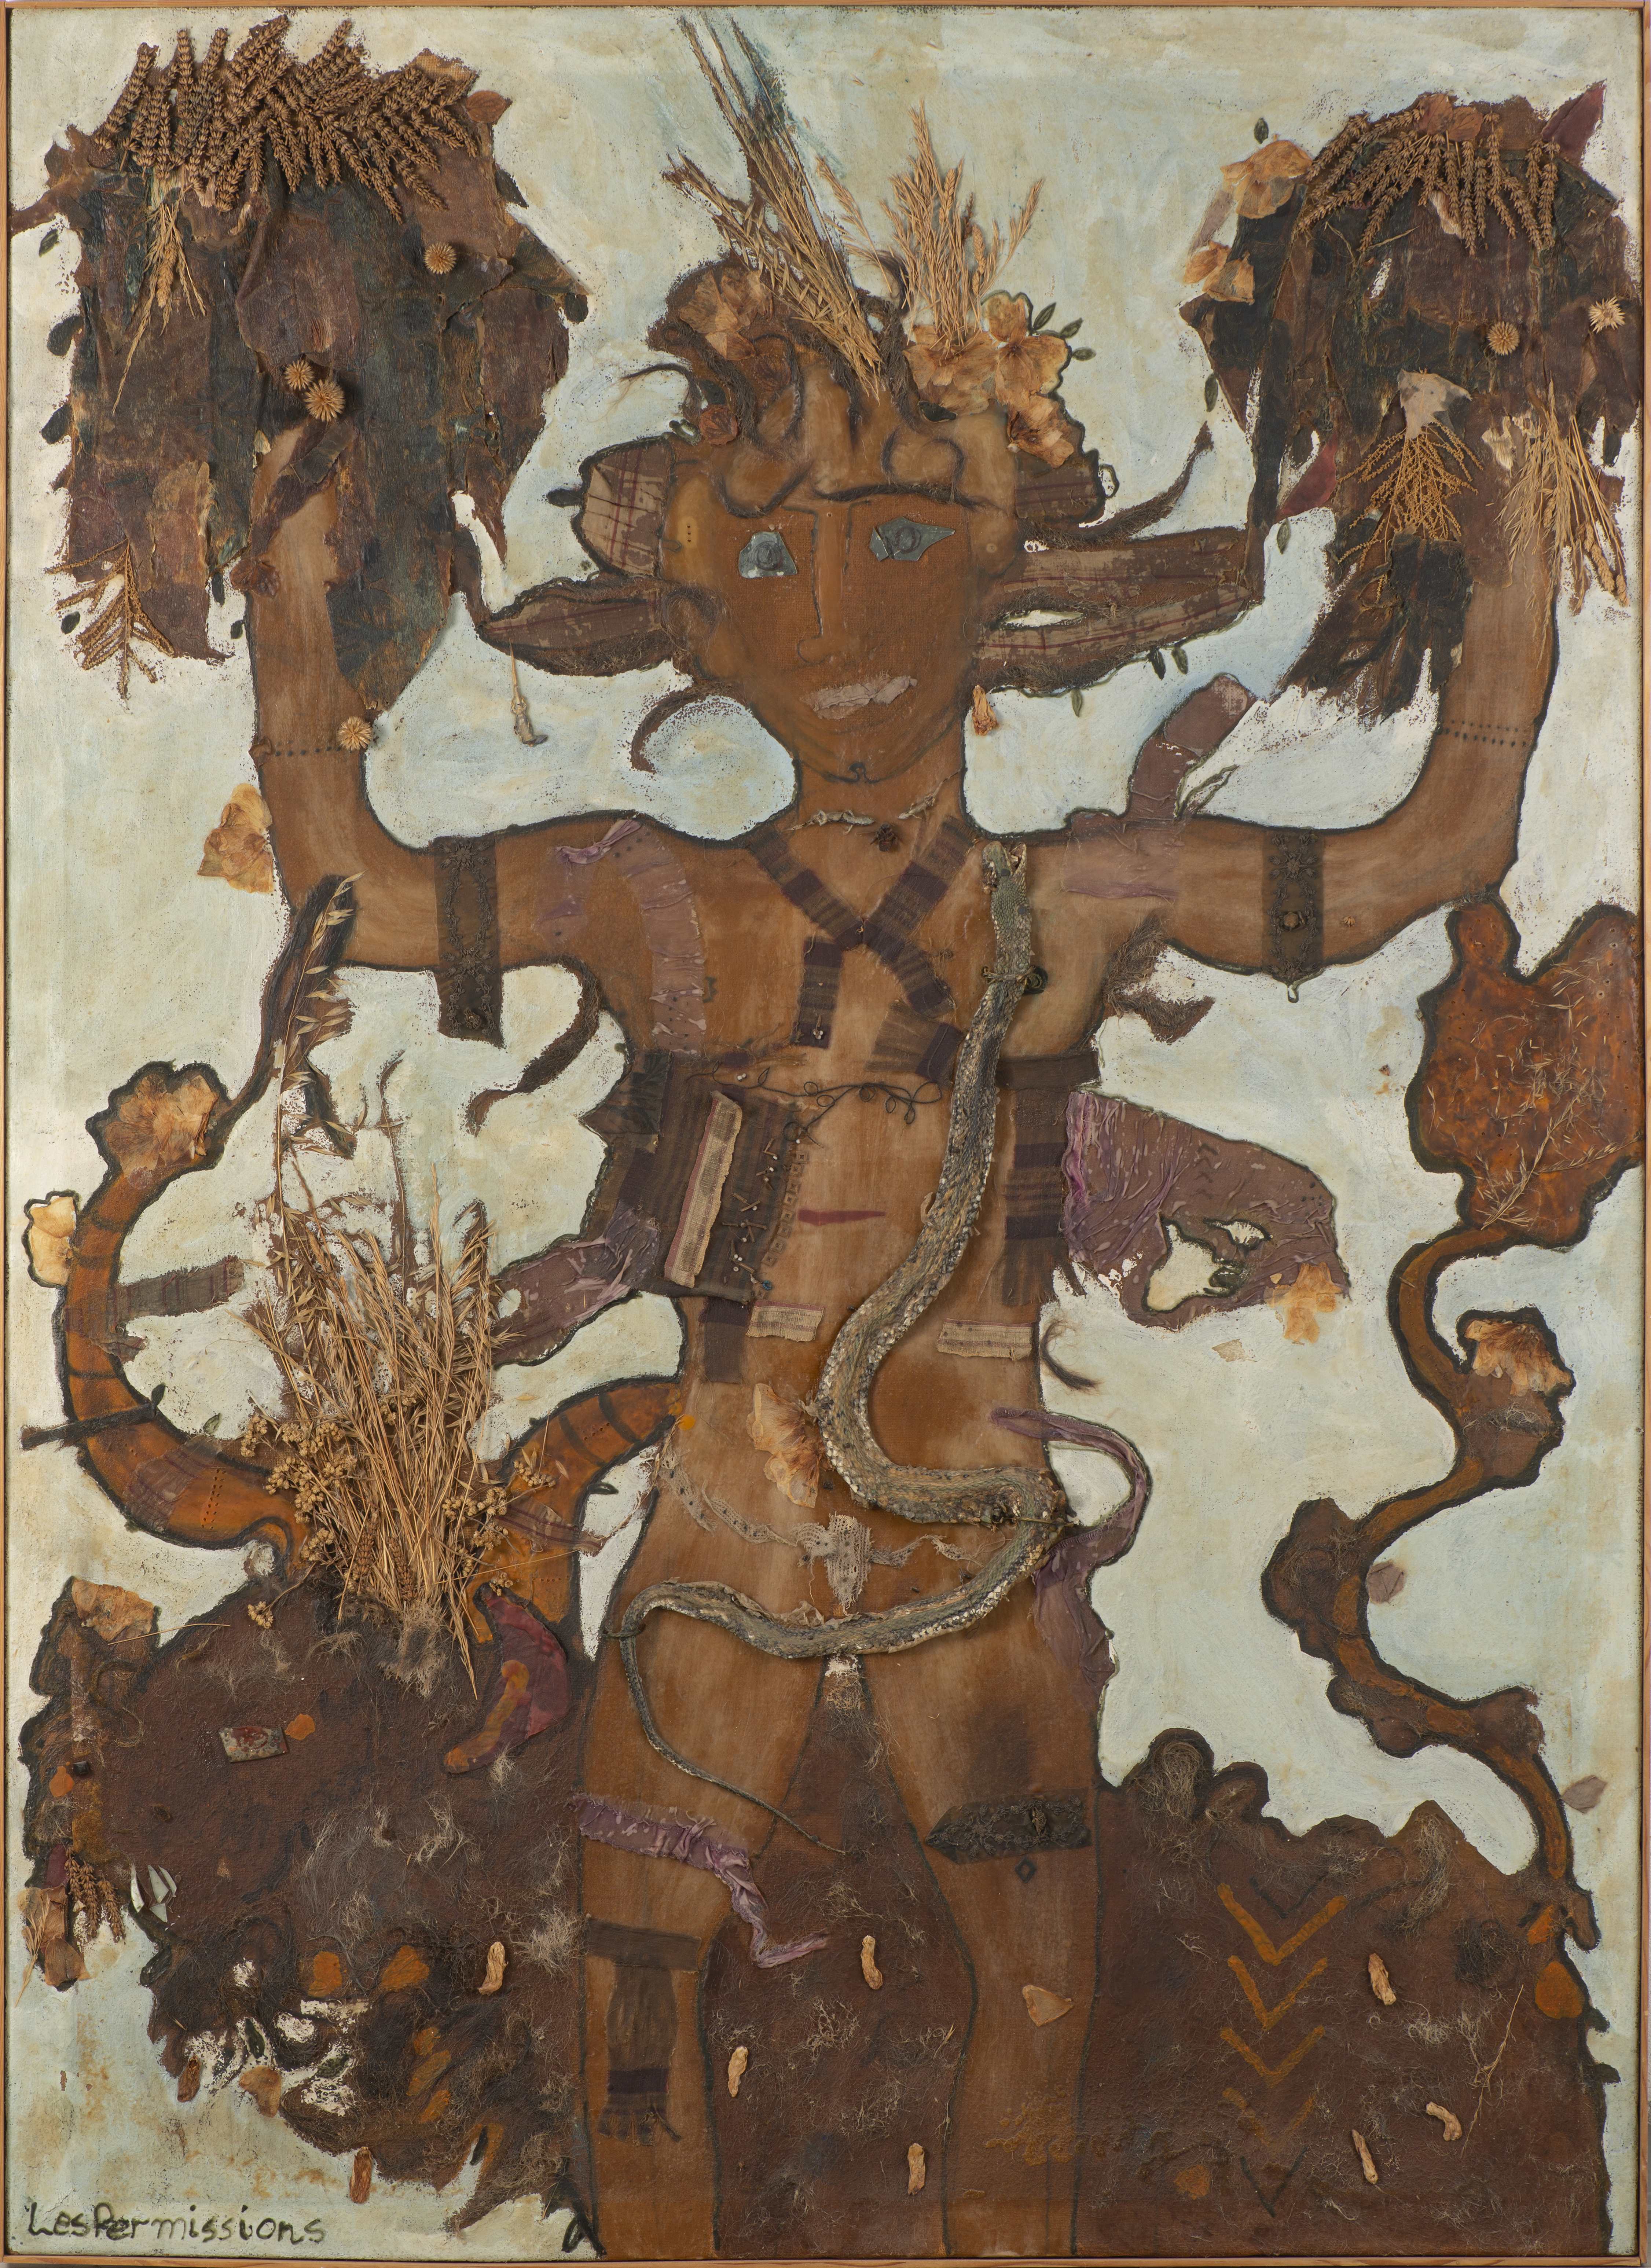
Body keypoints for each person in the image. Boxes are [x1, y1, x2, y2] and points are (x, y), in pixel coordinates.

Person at [243, 50, 1568, 2261]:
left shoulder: (1075, 903)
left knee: (1033, 2009)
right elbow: (347, 881)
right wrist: (294, 576)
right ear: (694, 604)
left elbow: (1434, 846)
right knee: (638, 2018)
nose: (839, 615)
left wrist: (1503, 510)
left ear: (1005, 575)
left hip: (984, 1551)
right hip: (720, 1542)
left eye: (898, 543)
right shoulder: (649, 900)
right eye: (773, 554)